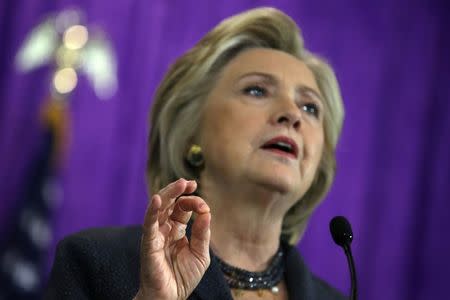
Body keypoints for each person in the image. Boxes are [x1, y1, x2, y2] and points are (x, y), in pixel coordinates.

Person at [45, 7, 345, 300]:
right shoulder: (97, 264)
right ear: (191, 132)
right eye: (256, 90)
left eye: (310, 107)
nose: (293, 115)